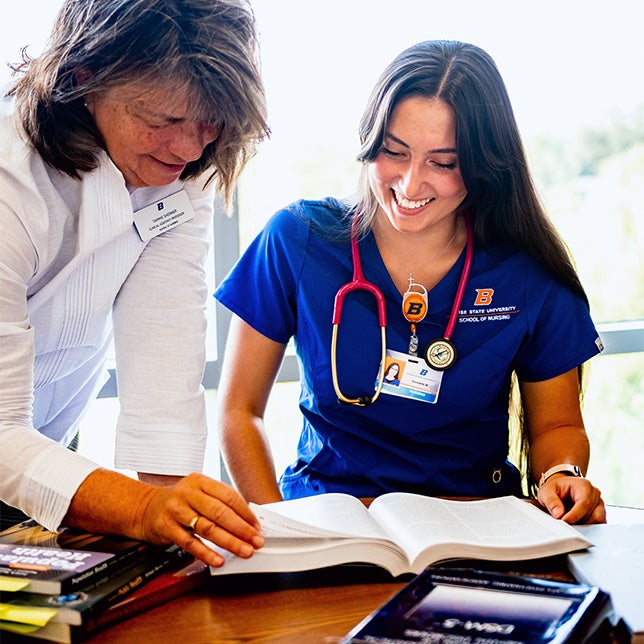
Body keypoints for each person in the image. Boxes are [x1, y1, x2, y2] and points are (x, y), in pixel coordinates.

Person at [215, 40, 607, 525]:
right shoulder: (298, 240)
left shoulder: (527, 273)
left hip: (475, 524)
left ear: (485, 164)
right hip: (325, 518)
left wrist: (560, 476)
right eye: (393, 152)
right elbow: (240, 411)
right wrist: (277, 529)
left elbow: (559, 425)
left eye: (443, 163)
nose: (410, 184)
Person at [0, 0, 270, 567]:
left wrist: (182, 531)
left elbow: (163, 348)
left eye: (209, 122)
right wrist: (143, 508)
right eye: (163, 121)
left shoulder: (183, 173)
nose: (189, 148)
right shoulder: (9, 184)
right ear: (85, 81)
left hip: (43, 452)